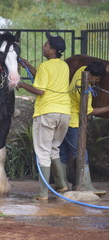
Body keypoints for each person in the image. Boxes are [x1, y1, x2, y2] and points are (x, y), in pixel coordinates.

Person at [17, 32, 71, 200]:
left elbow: (40, 90)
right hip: (64, 113)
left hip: (47, 113)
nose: (43, 46)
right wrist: (27, 65)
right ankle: (62, 186)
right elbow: (44, 79)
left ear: (53, 50)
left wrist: (22, 84)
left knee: (43, 152)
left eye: (46, 44)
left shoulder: (45, 67)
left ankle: (42, 194)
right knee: (54, 149)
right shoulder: (64, 66)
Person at [56, 61, 109, 196]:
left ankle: (61, 185)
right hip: (73, 121)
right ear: (90, 75)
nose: (96, 82)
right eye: (96, 79)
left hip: (64, 117)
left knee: (62, 152)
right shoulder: (83, 88)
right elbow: (88, 111)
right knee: (81, 152)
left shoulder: (82, 69)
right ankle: (85, 185)